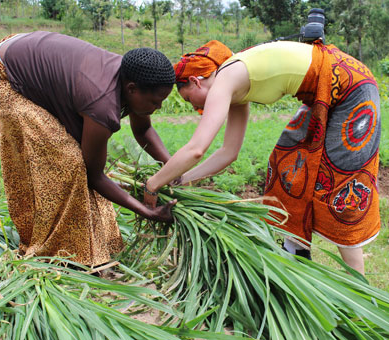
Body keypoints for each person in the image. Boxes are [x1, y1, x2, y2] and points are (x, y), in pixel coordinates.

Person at [143, 39, 381, 275]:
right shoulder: (236, 85)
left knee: (342, 182)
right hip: (326, 89)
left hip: (350, 87)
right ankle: (296, 253)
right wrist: (181, 179)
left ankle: (358, 290)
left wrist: (153, 185)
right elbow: (229, 152)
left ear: (195, 82)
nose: (194, 107)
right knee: (285, 163)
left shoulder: (225, 78)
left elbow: (197, 148)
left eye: (187, 99)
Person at [0, 31, 177, 267]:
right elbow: (94, 176)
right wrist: (148, 212)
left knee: (76, 159)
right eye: (156, 102)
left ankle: (86, 242)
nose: (159, 107)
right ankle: (54, 248)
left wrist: (174, 168)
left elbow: (143, 130)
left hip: (26, 53)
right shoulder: (102, 103)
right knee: (69, 163)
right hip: (2, 72)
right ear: (132, 89)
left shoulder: (129, 77)